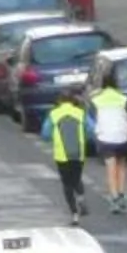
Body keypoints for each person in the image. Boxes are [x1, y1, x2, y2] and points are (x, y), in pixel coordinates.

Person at [89, 76, 127, 212]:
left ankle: (114, 197)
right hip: (122, 137)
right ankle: (121, 194)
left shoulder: (96, 100)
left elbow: (92, 119)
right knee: (121, 165)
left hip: (106, 137)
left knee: (111, 167)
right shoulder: (124, 98)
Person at [43, 86, 89, 218]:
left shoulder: (54, 114)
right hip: (78, 154)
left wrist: (55, 137)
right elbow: (90, 130)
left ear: (59, 100)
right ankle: (81, 197)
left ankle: (74, 213)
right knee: (76, 178)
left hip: (61, 155)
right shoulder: (80, 113)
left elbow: (45, 134)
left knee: (67, 183)